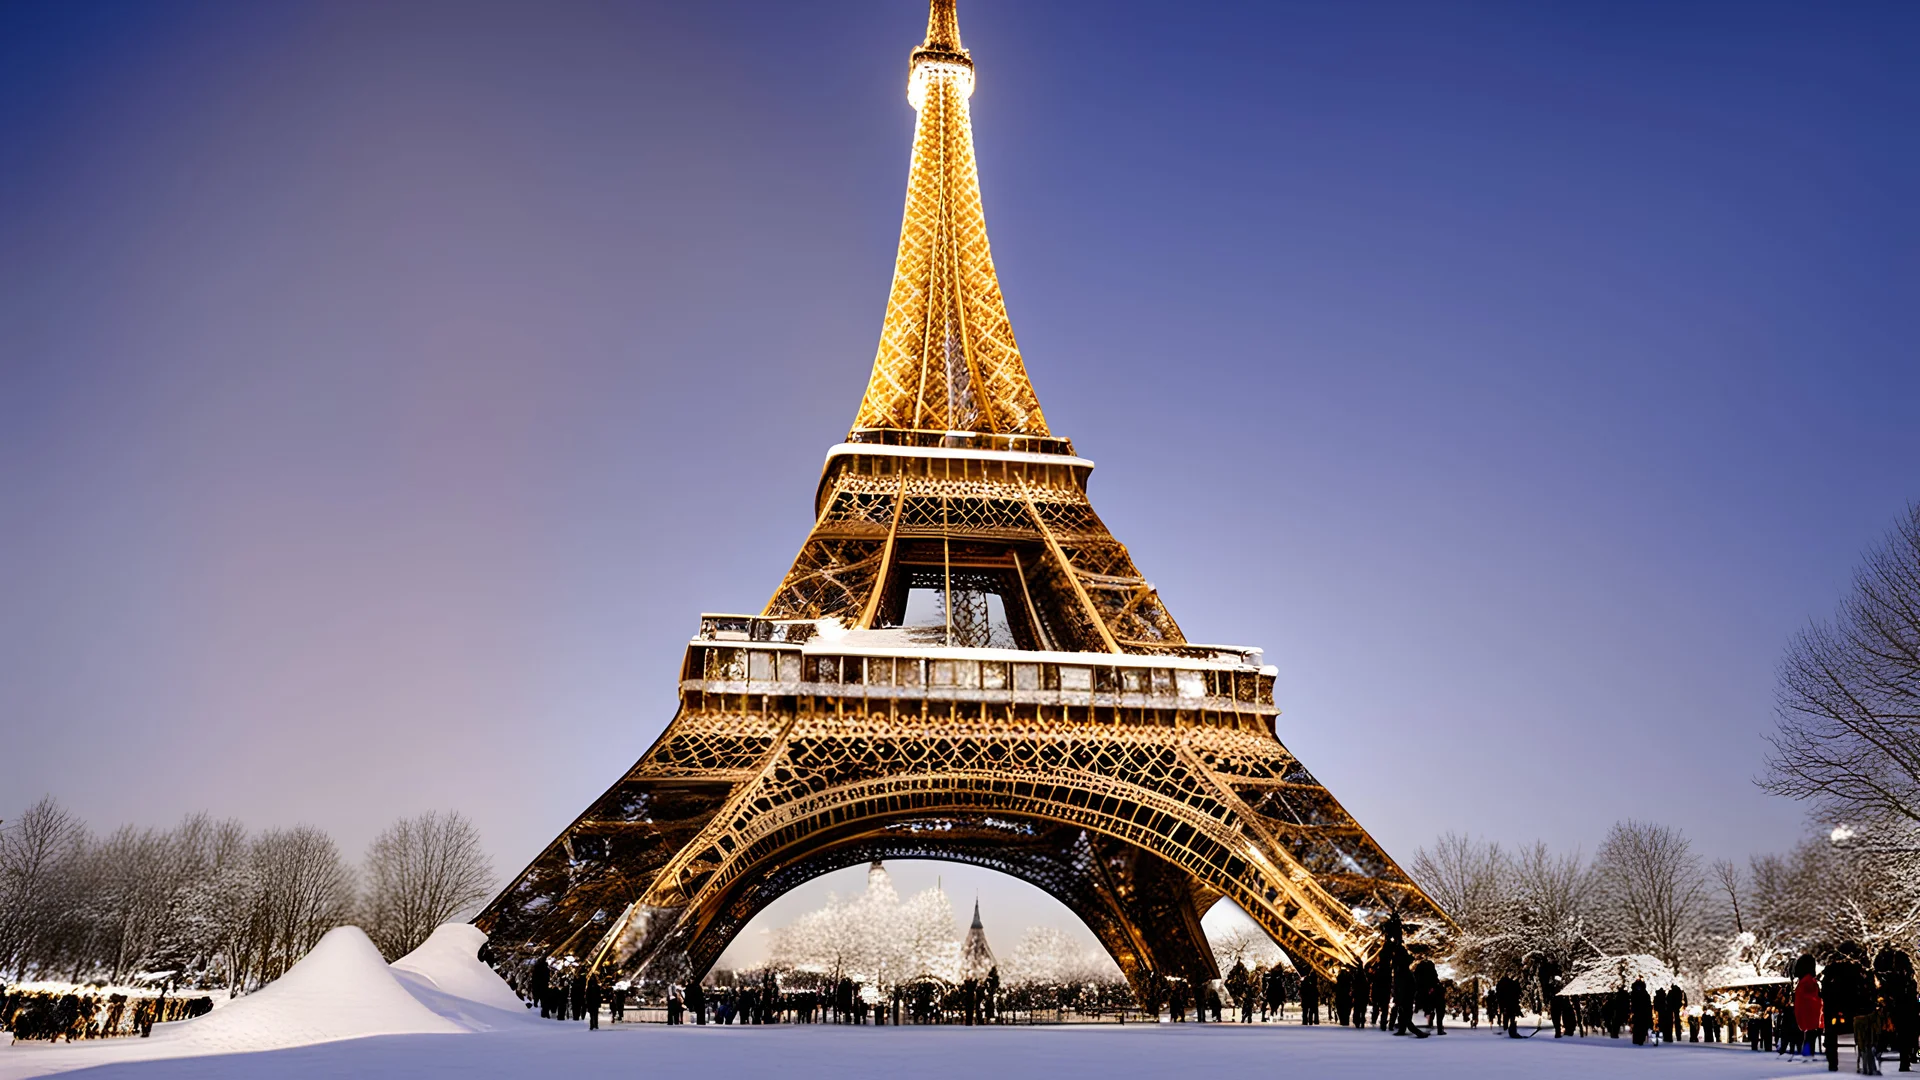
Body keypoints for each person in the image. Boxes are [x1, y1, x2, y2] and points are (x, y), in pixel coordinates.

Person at [1794, 954, 1824, 1061]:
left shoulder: (1802, 981)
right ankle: (1808, 1053)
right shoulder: (1809, 980)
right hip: (1812, 1012)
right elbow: (1813, 996)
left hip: (1805, 1011)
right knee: (1811, 1034)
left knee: (1808, 1034)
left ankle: (1807, 1052)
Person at [1630, 978, 1653, 1046]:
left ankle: (1639, 1039)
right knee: (1640, 1026)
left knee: (1639, 1026)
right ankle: (1639, 1039)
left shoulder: (1635, 993)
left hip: (1640, 1013)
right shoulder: (1643, 994)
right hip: (1641, 1013)